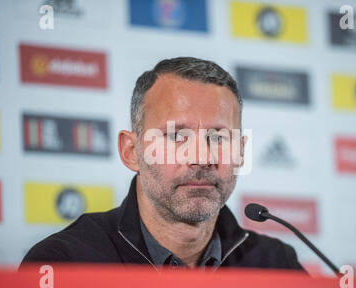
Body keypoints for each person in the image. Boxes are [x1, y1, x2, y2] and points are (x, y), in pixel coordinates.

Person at [21, 57, 305, 272]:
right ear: (131, 151)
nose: (202, 158)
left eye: (218, 137)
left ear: (241, 152)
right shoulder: (65, 263)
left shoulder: (278, 265)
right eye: (177, 136)